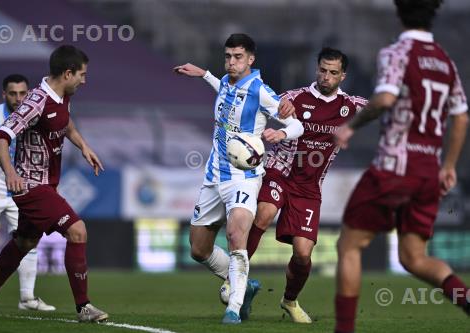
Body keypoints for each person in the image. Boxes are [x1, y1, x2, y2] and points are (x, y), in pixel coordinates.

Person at [333, 1, 468, 332]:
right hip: (427, 171)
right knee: (414, 258)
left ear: (399, 13)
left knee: (349, 245)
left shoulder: (397, 52)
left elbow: (385, 99)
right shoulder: (444, 62)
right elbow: (461, 116)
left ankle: (344, 329)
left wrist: (351, 125)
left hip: (394, 167)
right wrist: (448, 165)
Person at [0, 45, 108, 323]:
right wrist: (10, 172)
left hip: (48, 183)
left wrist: (84, 146)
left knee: (25, 241)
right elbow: (1, 136)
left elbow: (65, 124)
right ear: (67, 74)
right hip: (31, 186)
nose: (84, 80)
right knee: (77, 231)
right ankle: (84, 307)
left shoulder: (63, 96)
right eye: (82, 74)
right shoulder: (36, 101)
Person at [174, 33, 303, 324]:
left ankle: (233, 306)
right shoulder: (226, 81)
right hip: (213, 174)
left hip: (244, 178)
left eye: (238, 57)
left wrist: (281, 132)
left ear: (251, 60)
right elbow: (223, 89)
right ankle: (247, 285)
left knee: (236, 236)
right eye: (228, 57)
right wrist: (204, 74)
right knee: (198, 249)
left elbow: (297, 124)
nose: (232, 62)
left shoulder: (260, 90)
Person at [240, 48, 367, 323]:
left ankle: (289, 301)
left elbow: (383, 106)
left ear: (342, 75)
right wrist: (270, 122)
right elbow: (260, 104)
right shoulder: (294, 98)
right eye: (322, 70)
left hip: (309, 189)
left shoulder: (352, 106)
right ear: (316, 69)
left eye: (333, 73)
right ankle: (235, 284)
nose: (326, 76)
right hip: (280, 173)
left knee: (302, 254)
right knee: (264, 213)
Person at [0, 74, 55, 312]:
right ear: (4, 94)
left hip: (22, 193)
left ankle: (27, 299)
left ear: (28, 94)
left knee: (28, 241)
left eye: (22, 93)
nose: (18, 98)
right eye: (12, 93)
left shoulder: (34, 116)